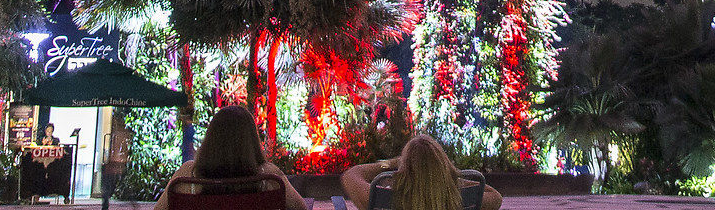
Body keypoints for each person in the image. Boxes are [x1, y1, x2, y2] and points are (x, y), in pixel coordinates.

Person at [161, 105, 306, 210]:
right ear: (251, 140)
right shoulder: (268, 177)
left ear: (211, 138)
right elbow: (301, 208)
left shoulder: (187, 175)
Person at [339, 135, 504, 210]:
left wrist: (391, 163)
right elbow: (496, 197)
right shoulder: (461, 199)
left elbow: (352, 174)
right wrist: (449, 175)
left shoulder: (387, 198)